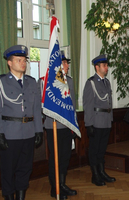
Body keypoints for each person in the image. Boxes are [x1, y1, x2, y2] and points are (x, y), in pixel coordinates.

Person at [0, 45, 43, 200]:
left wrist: (38, 130)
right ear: (9, 63)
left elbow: (36, 109)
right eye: (19, 60)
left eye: (24, 60)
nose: (23, 63)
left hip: (28, 132)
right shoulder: (0, 82)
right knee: (8, 170)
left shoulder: (31, 82)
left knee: (25, 169)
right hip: (9, 134)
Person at [38, 51, 77, 199]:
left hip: (67, 126)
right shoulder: (45, 81)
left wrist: (73, 124)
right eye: (65, 63)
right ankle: (55, 188)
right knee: (55, 158)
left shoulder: (70, 81)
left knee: (65, 157)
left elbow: (72, 104)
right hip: (53, 125)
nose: (67, 65)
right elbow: (40, 106)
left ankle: (62, 184)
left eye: (67, 62)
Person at [83, 54, 116, 186]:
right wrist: (88, 124)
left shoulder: (106, 82)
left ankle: (102, 172)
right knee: (94, 150)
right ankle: (95, 174)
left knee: (102, 150)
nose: (106, 67)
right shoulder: (91, 83)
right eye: (104, 65)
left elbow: (109, 103)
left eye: (107, 65)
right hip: (96, 121)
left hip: (106, 120)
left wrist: (111, 119)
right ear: (97, 67)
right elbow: (88, 105)